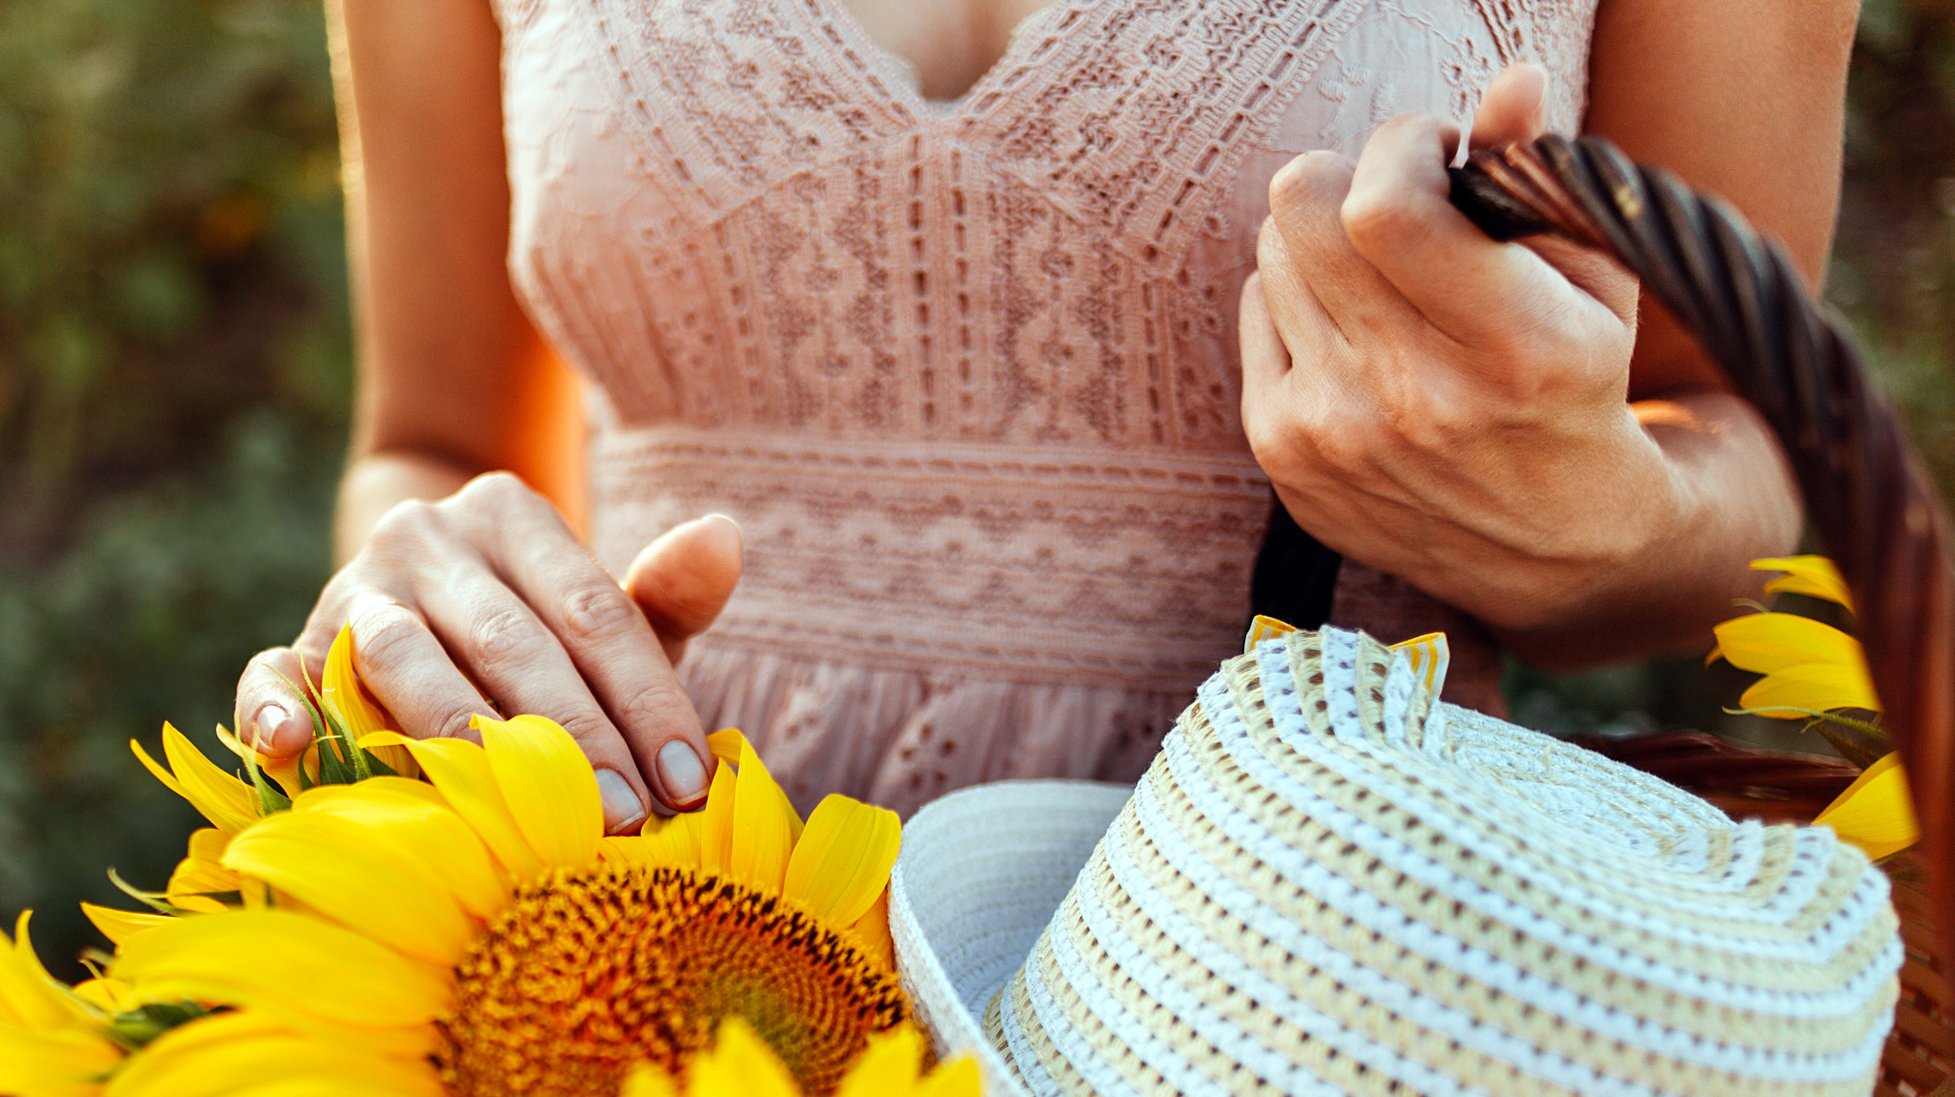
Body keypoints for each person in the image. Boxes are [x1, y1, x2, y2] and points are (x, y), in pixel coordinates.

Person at [235, 0, 1856, 828]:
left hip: (1303, 1032)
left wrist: (1590, 532)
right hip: (628, 1022)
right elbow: (438, 437)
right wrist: (421, 587)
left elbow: (1753, 432)